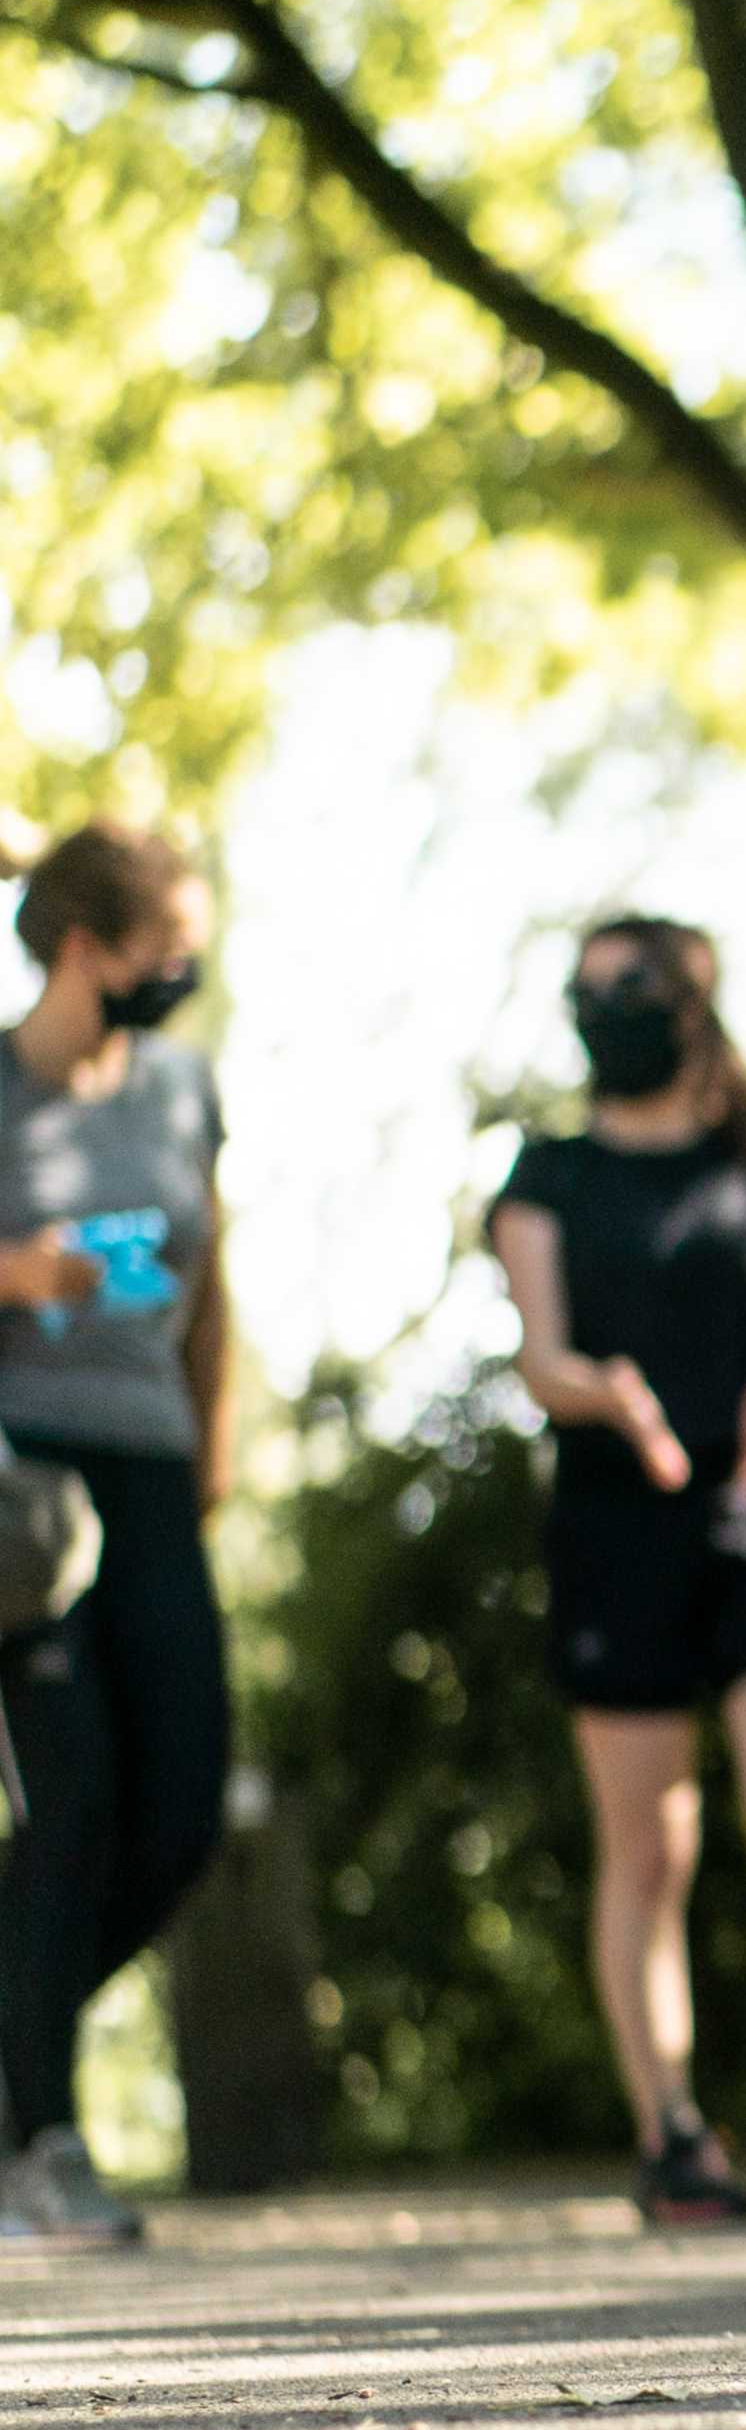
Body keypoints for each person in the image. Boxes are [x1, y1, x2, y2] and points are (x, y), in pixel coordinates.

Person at [486, 916, 746, 2226]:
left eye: (633, 984)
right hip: (618, 1521)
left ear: (695, 996)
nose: (606, 1006)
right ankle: (671, 2130)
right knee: (649, 1844)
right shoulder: (547, 1176)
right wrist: (600, 1389)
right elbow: (540, 1353)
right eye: (587, 987)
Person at [0, 823, 233, 2247]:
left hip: (154, 1468)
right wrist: (16, 1269)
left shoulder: (186, 1088)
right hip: (19, 1486)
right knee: (68, 1798)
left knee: (184, 1801)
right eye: (168, 948)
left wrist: (213, 1451)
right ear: (87, 947)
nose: (184, 973)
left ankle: (15, 2057)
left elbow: (218, 1282)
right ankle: (44, 2139)